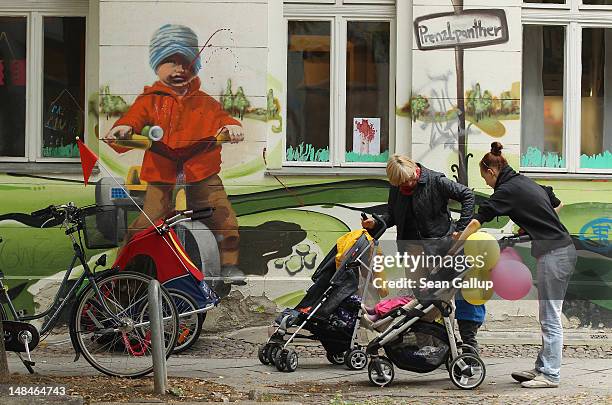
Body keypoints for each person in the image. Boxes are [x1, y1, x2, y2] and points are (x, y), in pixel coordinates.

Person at [104, 24, 246, 288]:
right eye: (170, 61)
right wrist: (124, 128)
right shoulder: (150, 100)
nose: (179, 69)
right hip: (162, 173)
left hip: (201, 172)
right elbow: (133, 119)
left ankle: (229, 264)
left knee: (223, 215)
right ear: (157, 65)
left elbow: (222, 118)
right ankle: (124, 267)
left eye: (186, 62)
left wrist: (231, 127)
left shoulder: (205, 101)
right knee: (147, 222)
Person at [457, 142, 576, 388]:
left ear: (491, 171)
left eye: (485, 178)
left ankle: (551, 374)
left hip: (555, 254)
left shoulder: (506, 191)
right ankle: (542, 367)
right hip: (561, 250)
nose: (487, 184)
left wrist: (457, 242)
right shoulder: (526, 182)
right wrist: (536, 222)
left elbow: (479, 220)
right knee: (547, 315)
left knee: (550, 317)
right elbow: (557, 203)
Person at [362, 154, 475, 321]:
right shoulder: (397, 189)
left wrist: (460, 229)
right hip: (411, 252)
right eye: (402, 183)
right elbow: (392, 216)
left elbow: (468, 195)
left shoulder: (436, 181)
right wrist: (375, 223)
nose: (407, 184)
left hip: (438, 251)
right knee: (420, 300)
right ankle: (424, 343)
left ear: (414, 168)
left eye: (410, 179)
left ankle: (446, 342)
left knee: (441, 301)